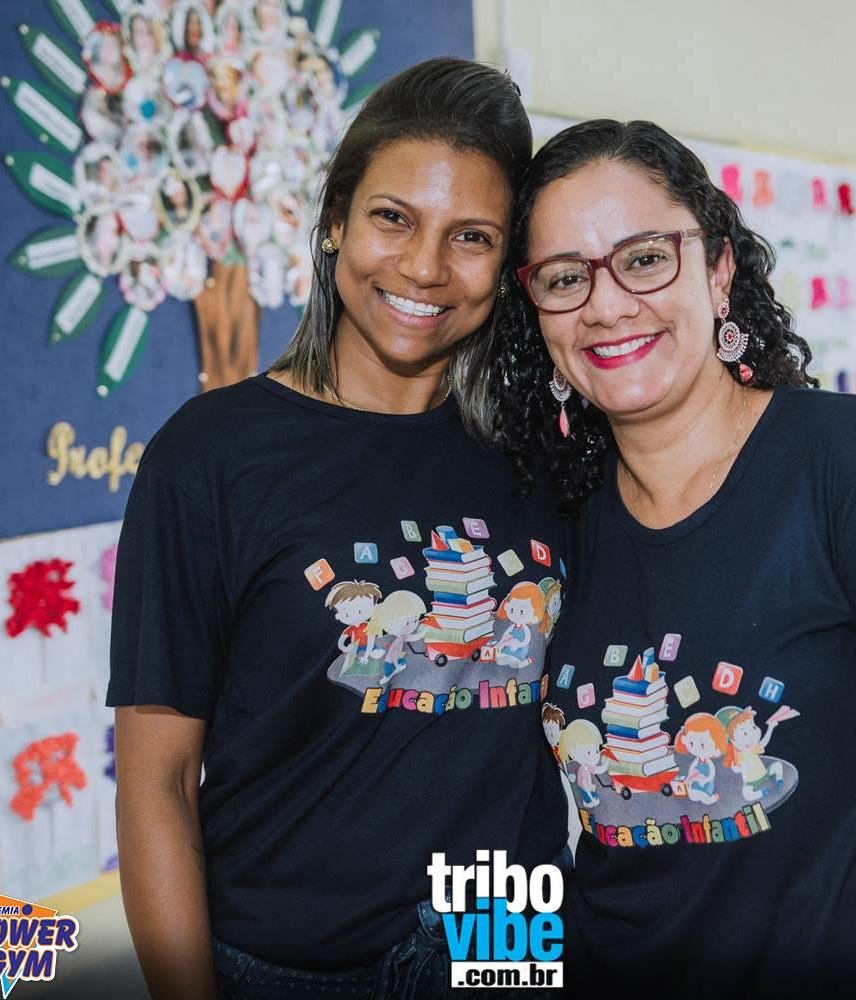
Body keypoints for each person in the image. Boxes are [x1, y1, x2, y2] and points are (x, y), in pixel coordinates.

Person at [481, 119, 856, 995]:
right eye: (564, 277)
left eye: (645, 259)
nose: (606, 305)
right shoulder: (560, 522)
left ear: (719, 269)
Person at [108, 59, 567, 1000]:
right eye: (393, 218)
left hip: (507, 944)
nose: (425, 267)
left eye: (471, 237)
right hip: (288, 967)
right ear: (334, 224)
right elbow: (157, 782)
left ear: (507, 265)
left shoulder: (545, 454)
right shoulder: (210, 457)